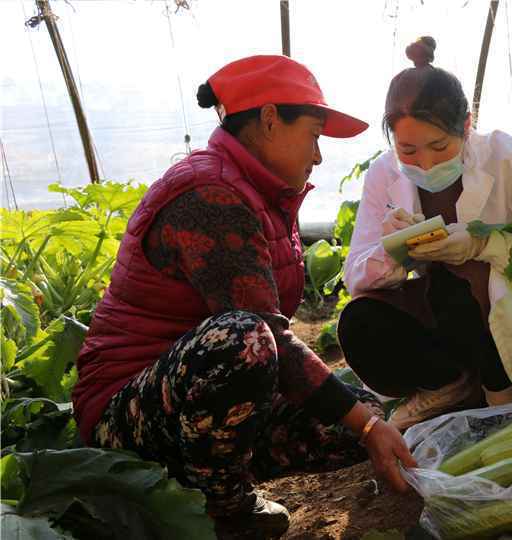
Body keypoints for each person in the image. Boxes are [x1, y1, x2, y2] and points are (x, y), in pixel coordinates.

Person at [72, 55, 415, 540]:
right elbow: (262, 336)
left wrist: (366, 422)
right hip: (127, 414)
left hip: (192, 400)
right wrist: (364, 424)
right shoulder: (210, 194)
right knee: (245, 340)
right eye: (314, 135)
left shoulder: (257, 189)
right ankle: (224, 512)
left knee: (370, 420)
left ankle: (198, 482)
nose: (318, 156)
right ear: (271, 119)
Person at [339, 37, 512, 431]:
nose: (426, 162)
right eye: (408, 150)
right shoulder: (384, 174)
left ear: (467, 126)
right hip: (444, 317)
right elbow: (356, 275)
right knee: (362, 321)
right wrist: (396, 251)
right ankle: (448, 385)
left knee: (473, 281)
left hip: (511, 312)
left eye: (439, 146)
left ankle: (500, 390)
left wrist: (485, 245)